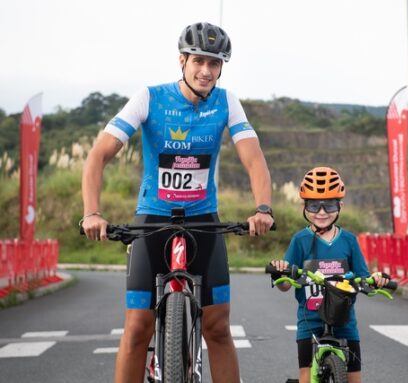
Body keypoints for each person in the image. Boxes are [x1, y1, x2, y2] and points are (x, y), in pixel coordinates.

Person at [80, 22, 274, 383]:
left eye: (214, 64)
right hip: (152, 220)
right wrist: (92, 212)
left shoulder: (226, 102)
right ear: (182, 60)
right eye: (199, 60)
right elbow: (98, 157)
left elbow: (253, 158)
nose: (206, 70)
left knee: (217, 327)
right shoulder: (150, 98)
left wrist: (263, 208)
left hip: (205, 221)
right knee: (138, 327)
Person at [270, 166, 388, 383]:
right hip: (310, 320)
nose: (322, 212)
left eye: (329, 205)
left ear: (340, 205)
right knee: (306, 376)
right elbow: (286, 283)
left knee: (354, 379)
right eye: (314, 205)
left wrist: (376, 279)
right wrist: (280, 273)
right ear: (304, 206)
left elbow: (363, 278)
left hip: (344, 320)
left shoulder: (349, 241)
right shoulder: (300, 240)